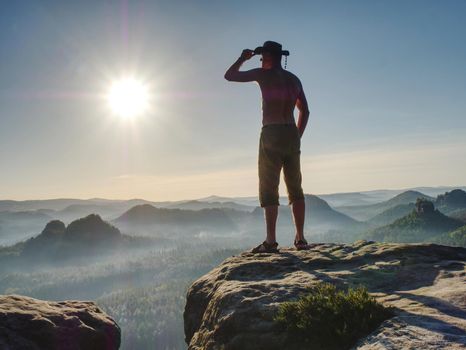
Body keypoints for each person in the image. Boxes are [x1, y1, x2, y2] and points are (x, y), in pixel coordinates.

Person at [224, 40, 311, 253]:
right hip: (291, 132)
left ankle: (271, 242)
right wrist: (297, 136)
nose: (261, 60)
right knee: (295, 187)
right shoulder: (294, 80)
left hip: (271, 132)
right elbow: (305, 111)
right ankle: (300, 239)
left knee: (269, 187)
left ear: (270, 57)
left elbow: (230, 76)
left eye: (262, 57)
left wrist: (243, 59)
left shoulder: (263, 75)